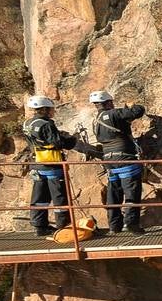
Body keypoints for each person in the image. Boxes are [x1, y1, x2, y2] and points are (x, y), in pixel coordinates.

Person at [90, 90, 147, 234]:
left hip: (109, 160)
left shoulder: (95, 120)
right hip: (124, 158)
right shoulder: (113, 113)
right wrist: (132, 106)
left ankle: (114, 226)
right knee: (131, 193)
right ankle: (132, 225)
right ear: (108, 102)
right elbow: (138, 111)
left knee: (113, 195)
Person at [21, 95, 78, 237]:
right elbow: (58, 143)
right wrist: (71, 139)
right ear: (45, 109)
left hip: (37, 164)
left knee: (40, 198)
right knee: (60, 199)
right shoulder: (47, 124)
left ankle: (40, 227)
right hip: (52, 165)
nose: (53, 112)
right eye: (51, 109)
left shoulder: (27, 123)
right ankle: (64, 227)